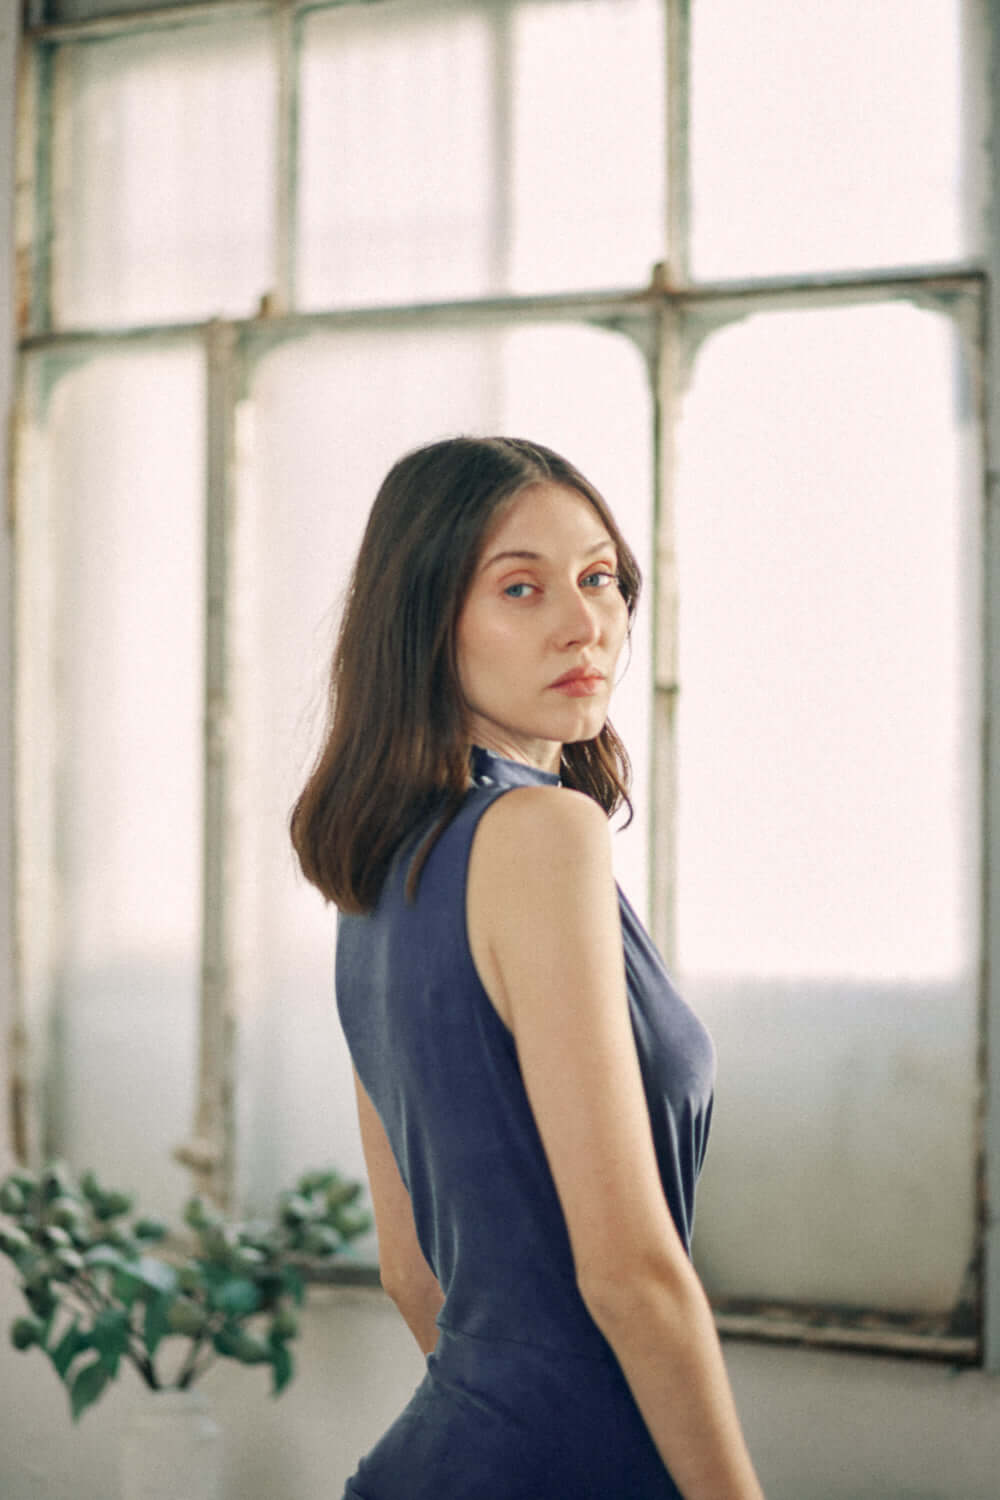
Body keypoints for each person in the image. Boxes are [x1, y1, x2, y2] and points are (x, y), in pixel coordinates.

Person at [290, 436, 765, 1500]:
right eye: (520, 586)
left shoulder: (373, 855)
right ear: (423, 619)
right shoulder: (543, 834)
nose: (583, 620)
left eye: (599, 577)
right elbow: (633, 1277)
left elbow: (413, 1276)